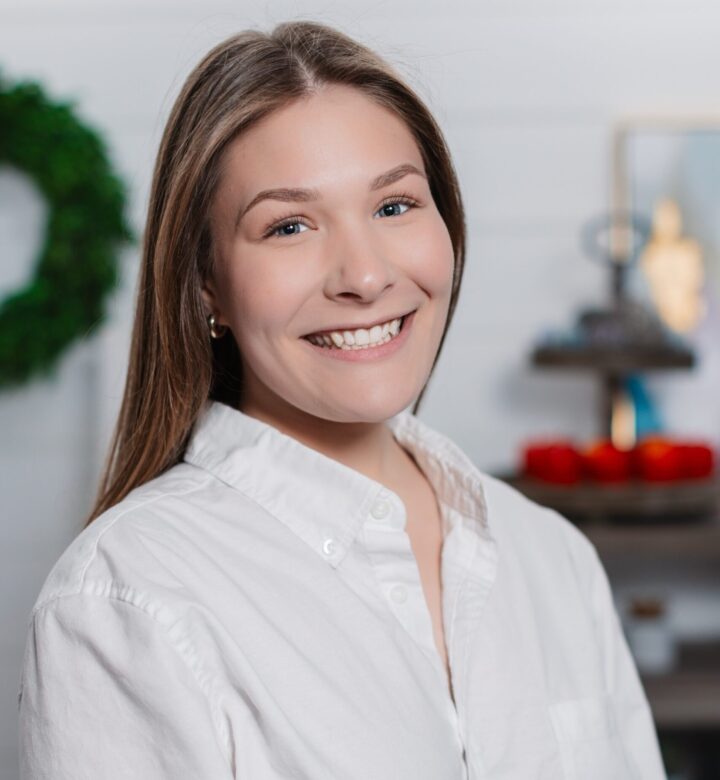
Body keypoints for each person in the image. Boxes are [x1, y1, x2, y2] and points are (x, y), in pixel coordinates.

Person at [17, 20, 667, 780]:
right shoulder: (125, 600)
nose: (364, 275)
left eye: (394, 206)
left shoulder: (553, 557)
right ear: (206, 285)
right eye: (289, 226)